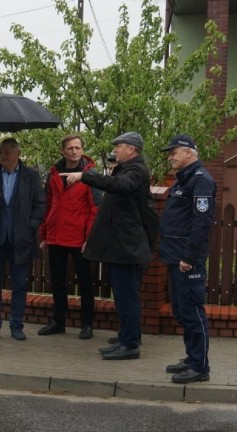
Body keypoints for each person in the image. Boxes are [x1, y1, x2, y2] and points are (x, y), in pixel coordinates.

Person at [61, 132, 152, 360]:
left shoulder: (136, 171)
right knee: (122, 295)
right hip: (120, 246)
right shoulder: (127, 169)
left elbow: (118, 185)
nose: (115, 151)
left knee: (127, 296)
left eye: (119, 146)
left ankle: (130, 344)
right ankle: (127, 336)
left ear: (131, 149)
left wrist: (86, 176)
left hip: (126, 247)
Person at [0, 137, 45, 341]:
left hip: (21, 240)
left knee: (20, 285)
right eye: (1, 152)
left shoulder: (30, 175)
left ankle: (16, 325)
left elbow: (40, 204)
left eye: (7, 152)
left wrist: (31, 225)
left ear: (17, 153)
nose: (3, 155)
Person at [158, 134, 216, 383]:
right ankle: (192, 358)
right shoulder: (184, 180)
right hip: (175, 257)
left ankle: (200, 367)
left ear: (189, 152)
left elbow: (201, 223)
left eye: (174, 152)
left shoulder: (201, 180)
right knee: (182, 312)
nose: (170, 156)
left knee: (193, 312)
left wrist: (189, 257)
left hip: (186, 259)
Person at [38, 134, 98, 340]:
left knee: (85, 282)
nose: (74, 151)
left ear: (82, 150)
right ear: (63, 150)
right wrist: (44, 234)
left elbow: (94, 209)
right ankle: (58, 321)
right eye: (70, 148)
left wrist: (89, 238)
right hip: (55, 236)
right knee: (57, 281)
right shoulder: (54, 173)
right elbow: (48, 205)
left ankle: (87, 324)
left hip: (79, 237)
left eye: (78, 148)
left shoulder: (90, 175)